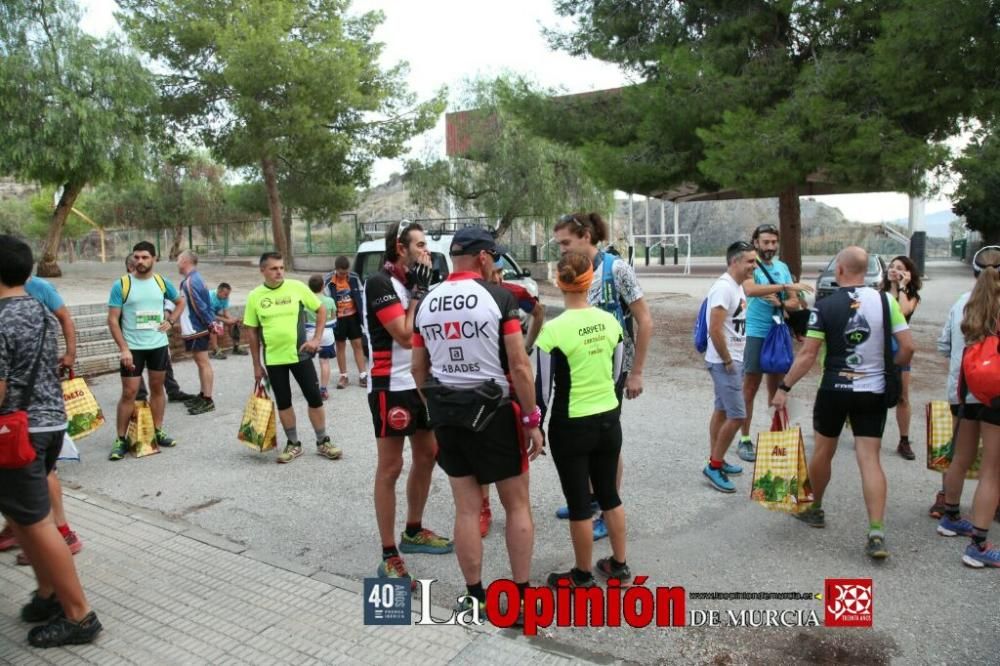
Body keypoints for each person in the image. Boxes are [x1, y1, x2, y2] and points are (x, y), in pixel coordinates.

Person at [412, 226, 543, 611]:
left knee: (466, 509)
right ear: (484, 258)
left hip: (447, 413)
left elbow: (419, 369)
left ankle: (475, 596)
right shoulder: (498, 298)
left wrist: (435, 405)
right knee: (517, 506)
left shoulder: (428, 300)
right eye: (495, 258)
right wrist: (532, 419)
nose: (495, 264)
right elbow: (519, 367)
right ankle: (519, 598)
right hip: (495, 410)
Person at [773, 246, 914, 560]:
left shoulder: (824, 306)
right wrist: (889, 371)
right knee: (870, 459)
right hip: (873, 390)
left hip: (834, 388)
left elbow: (808, 355)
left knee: (824, 451)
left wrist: (784, 386)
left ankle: (814, 509)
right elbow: (908, 347)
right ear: (866, 271)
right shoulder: (885, 300)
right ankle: (876, 532)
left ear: (839, 270)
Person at [0, 235, 102, 647]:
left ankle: (78, 615)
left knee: (38, 523)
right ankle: (47, 594)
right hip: (49, 425)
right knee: (26, 518)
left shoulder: (1, 319)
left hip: (16, 433)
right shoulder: (40, 311)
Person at [552, 212, 653, 539]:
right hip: (582, 371)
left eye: (566, 242)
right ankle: (588, 500)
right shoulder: (576, 270)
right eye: (559, 245)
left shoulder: (616, 269)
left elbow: (645, 320)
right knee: (583, 437)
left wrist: (636, 372)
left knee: (605, 442)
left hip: (613, 371)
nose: (562, 250)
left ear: (585, 235)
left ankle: (606, 509)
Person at [363, 221, 452, 586]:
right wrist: (417, 295)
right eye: (418, 244)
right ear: (400, 249)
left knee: (428, 454)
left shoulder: (420, 283)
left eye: (426, 244)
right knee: (390, 468)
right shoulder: (380, 283)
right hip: (389, 386)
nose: (425, 251)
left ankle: (413, 530)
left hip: (420, 383)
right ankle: (389, 555)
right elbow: (402, 334)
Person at [535, 252, 629, 587]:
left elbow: (542, 391)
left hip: (571, 424)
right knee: (609, 496)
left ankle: (582, 574)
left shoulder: (551, 331)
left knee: (579, 503)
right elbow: (618, 373)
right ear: (590, 280)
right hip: (608, 419)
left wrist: (536, 428)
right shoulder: (611, 322)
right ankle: (619, 565)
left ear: (559, 282)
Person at [0, 275, 84, 564]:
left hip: (28, 415)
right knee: (30, 481)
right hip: (41, 412)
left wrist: (71, 354)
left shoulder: (36, 291)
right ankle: (20, 528)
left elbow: (65, 318)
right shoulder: (26, 306)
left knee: (40, 479)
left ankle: (59, 534)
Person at [244, 252, 339, 463]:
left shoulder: (296, 287)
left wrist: (315, 339)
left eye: (281, 267)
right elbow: (251, 332)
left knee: (314, 398)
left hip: (301, 354)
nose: (279, 272)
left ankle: (323, 441)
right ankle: (293, 444)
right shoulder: (255, 296)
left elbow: (321, 309)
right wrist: (256, 365)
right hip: (274, 359)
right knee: (284, 402)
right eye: (273, 268)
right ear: (263, 271)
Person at [933, 247, 1000, 535]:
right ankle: (980, 537)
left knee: (960, 457)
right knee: (992, 468)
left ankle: (950, 514)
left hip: (963, 392)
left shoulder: (961, 302)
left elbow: (944, 345)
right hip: (996, 395)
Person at [477, 266, 546, 537]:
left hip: (511, 380)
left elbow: (538, 312)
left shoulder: (513, 292)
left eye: (498, 271)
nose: (496, 276)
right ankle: (484, 506)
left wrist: (528, 345)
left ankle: (518, 508)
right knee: (480, 445)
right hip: (482, 384)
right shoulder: (473, 294)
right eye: (492, 271)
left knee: (516, 444)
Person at [739, 224, 814, 462]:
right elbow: (750, 290)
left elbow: (795, 302)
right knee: (750, 386)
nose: (770, 247)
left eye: (773, 242)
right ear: (756, 242)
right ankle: (744, 439)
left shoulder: (782, 267)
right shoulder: (751, 266)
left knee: (779, 387)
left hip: (778, 333)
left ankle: (777, 439)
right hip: (756, 332)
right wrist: (784, 287)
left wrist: (781, 303)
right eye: (765, 242)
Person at [107, 242, 185, 461]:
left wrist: (171, 321)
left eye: (144, 257)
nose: (140, 261)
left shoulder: (162, 282)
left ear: (154, 259)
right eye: (137, 257)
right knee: (129, 392)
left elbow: (180, 302)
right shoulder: (122, 284)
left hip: (157, 345)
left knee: (157, 388)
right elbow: (113, 320)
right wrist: (124, 348)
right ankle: (121, 439)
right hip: (132, 348)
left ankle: (157, 430)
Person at [956, 245, 1000, 568]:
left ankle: (978, 541)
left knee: (990, 472)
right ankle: (978, 545)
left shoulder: (976, 307)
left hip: (989, 400)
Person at [702, 241, 756, 493]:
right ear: (735, 262)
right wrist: (726, 361)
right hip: (726, 362)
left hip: (733, 359)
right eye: (750, 262)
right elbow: (714, 329)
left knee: (722, 410)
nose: (754, 266)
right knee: (738, 415)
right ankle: (713, 466)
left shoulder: (736, 286)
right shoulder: (724, 288)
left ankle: (718, 458)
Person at [125, 255, 195, 405]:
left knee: (164, 362)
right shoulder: (124, 287)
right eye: (134, 265)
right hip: (134, 337)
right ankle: (140, 395)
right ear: (130, 268)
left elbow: (173, 300)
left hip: (155, 332)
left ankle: (172, 390)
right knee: (134, 366)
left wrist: (168, 318)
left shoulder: (156, 282)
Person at [882, 255, 922, 459]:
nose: (894, 269)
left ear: (908, 273)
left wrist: (903, 285)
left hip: (899, 348)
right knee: (875, 393)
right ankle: (870, 435)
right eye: (892, 266)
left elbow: (903, 310)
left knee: (902, 396)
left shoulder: (912, 295)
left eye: (900, 268)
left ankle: (904, 440)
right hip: (878, 348)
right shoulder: (878, 294)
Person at [177, 250, 216, 415]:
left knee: (203, 362)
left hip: (196, 328)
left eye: (179, 259)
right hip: (195, 328)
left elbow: (199, 305)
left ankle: (208, 399)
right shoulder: (193, 279)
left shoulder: (190, 281)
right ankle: (203, 394)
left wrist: (209, 324)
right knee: (201, 363)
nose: (177, 263)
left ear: (185, 261)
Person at [325, 256, 367, 389]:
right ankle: (344, 376)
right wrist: (330, 320)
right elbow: (326, 300)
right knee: (340, 346)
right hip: (338, 319)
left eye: (346, 272)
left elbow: (361, 295)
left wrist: (364, 316)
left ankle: (363, 375)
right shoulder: (328, 280)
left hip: (353, 317)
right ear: (336, 270)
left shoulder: (354, 277)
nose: (345, 275)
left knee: (357, 345)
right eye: (342, 273)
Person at [307, 274, 337, 401]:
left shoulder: (306, 301)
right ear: (323, 286)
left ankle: (310, 387)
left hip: (310, 333)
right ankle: (323, 389)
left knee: (307, 362)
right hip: (327, 333)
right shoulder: (329, 301)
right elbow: (333, 317)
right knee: (324, 362)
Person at [209, 282, 246, 359]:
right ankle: (215, 350)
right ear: (219, 291)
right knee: (213, 323)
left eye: (228, 294)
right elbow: (210, 315)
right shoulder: (210, 297)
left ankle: (236, 347)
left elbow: (226, 314)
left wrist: (233, 319)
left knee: (233, 323)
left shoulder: (225, 297)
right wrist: (226, 321)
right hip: (204, 315)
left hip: (214, 314)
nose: (227, 296)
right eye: (225, 294)